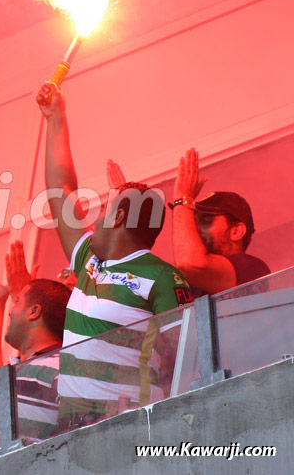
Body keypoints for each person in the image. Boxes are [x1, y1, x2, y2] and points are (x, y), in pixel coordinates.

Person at [36, 82, 192, 431]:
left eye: (104, 207)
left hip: (129, 426)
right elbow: (59, 190)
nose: (93, 215)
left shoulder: (163, 277)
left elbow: (185, 358)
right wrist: (56, 119)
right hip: (72, 427)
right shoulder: (89, 259)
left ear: (119, 218)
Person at [0, 243, 71, 461]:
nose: (10, 312)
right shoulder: (19, 372)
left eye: (16, 302)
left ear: (34, 312)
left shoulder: (62, 370)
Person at [170, 148, 270, 297]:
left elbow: (190, 263)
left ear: (236, 231)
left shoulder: (252, 268)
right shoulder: (189, 281)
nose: (196, 230)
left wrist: (182, 200)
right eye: (195, 223)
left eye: (207, 221)